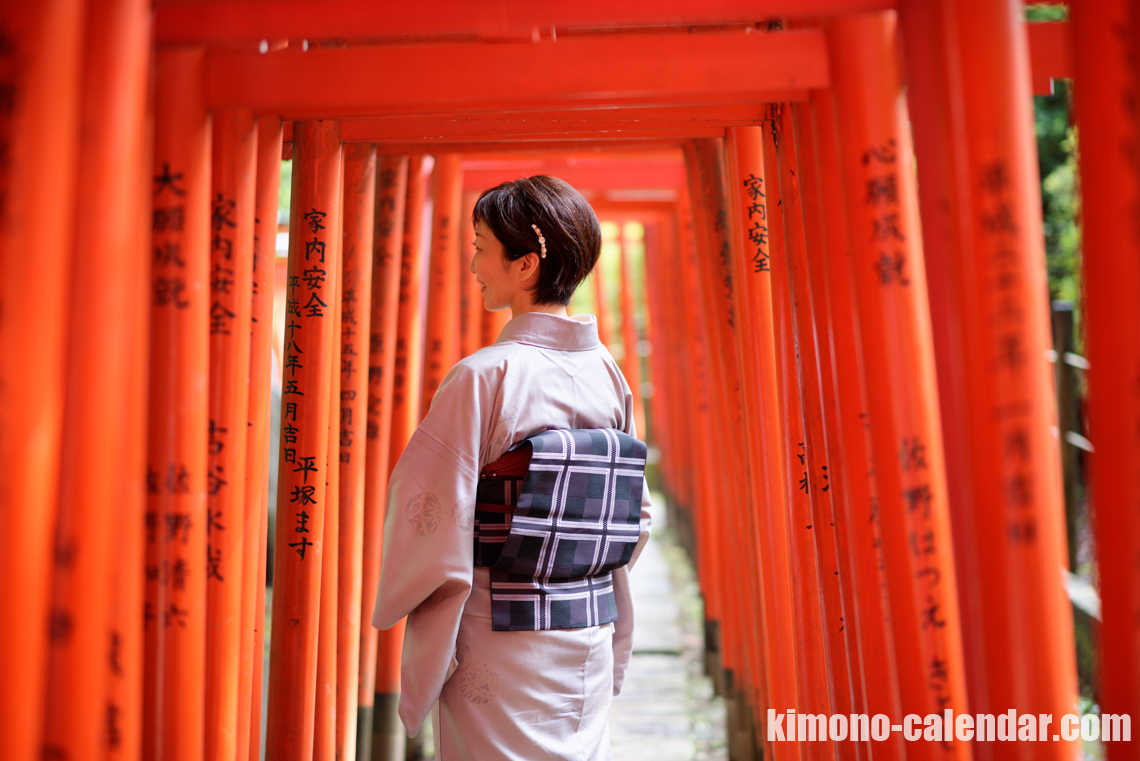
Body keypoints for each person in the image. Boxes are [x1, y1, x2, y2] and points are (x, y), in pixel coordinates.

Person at [372, 175, 652, 760]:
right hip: (588, 626)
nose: (473, 265)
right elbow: (635, 516)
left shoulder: (484, 375)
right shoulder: (609, 373)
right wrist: (571, 561)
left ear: (525, 265)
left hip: (499, 631)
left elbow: (428, 505)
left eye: (480, 248)